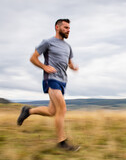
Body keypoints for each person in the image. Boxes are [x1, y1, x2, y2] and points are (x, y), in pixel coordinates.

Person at [17, 19, 80, 151]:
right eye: (66, 27)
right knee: (62, 109)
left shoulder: (68, 47)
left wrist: (73, 67)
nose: (69, 30)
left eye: (69, 28)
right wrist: (44, 67)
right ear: (57, 27)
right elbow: (33, 58)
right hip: (51, 79)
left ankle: (27, 111)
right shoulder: (48, 42)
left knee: (52, 111)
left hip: (63, 81)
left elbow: (68, 61)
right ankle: (61, 143)